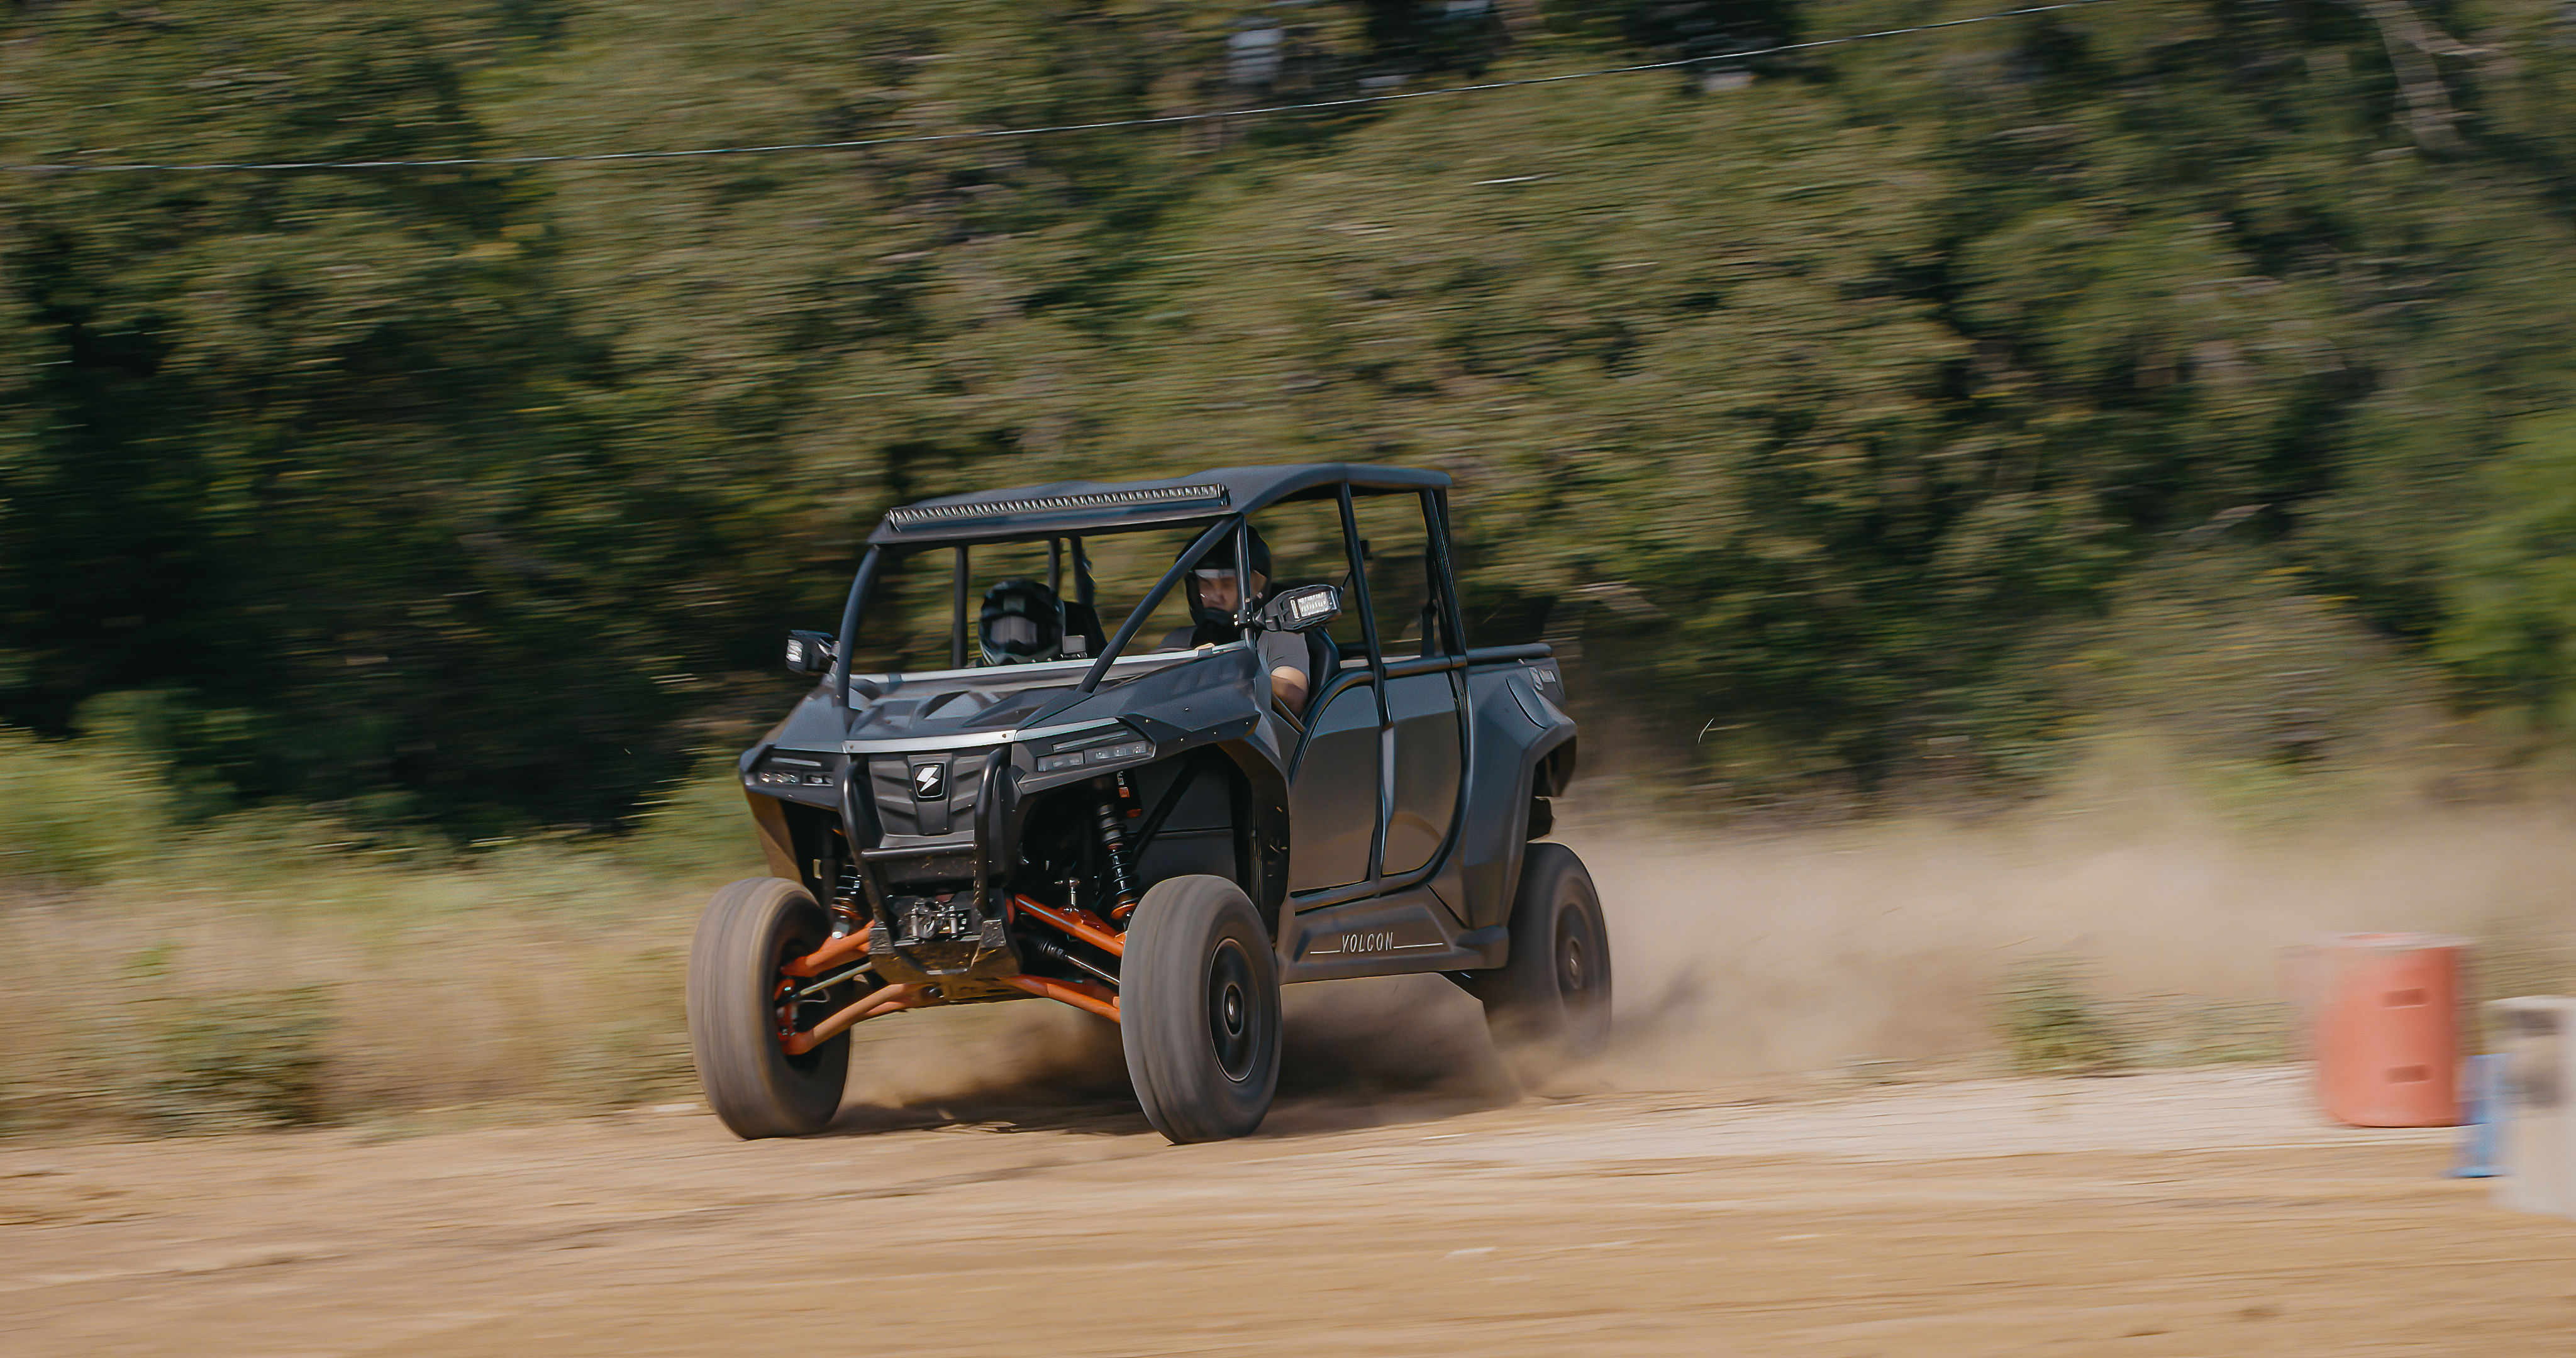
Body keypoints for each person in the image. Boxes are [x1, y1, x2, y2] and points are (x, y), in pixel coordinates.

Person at [1161, 526, 1312, 713]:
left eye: (1227, 584)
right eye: (1206, 585)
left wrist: (1229, 670)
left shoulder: (1278, 634)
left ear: (1253, 588)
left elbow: (1293, 695)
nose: (1216, 595)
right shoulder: (1178, 641)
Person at [978, 578, 1064, 666]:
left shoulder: (1072, 676)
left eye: (1023, 634)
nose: (1010, 648)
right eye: (999, 632)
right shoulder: (971, 676)